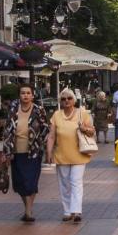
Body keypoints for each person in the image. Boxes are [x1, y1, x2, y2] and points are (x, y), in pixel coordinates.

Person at [2, 84, 49, 223]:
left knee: (31, 182)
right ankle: (28, 208)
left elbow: (45, 128)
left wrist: (45, 145)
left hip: (33, 151)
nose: (26, 95)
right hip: (16, 152)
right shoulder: (13, 110)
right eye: (23, 93)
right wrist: (6, 151)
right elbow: (7, 131)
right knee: (20, 183)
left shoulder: (38, 110)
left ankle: (28, 211)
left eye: (28, 93)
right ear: (19, 95)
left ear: (32, 95)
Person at [46, 89, 95, 223]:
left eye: (69, 98)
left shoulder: (82, 113)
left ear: (74, 100)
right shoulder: (56, 115)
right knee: (64, 184)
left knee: (76, 182)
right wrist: (49, 152)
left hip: (79, 154)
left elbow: (92, 131)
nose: (66, 101)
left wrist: (84, 129)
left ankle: (77, 211)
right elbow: (51, 136)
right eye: (63, 99)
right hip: (62, 154)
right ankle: (67, 211)